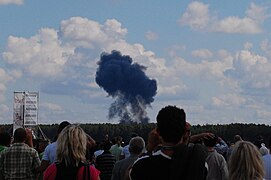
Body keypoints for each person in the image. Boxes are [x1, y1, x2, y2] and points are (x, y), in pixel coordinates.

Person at [130, 105, 208, 180]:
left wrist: (149, 148)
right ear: (184, 133)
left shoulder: (142, 166)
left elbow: (128, 175)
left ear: (158, 133)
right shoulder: (200, 165)